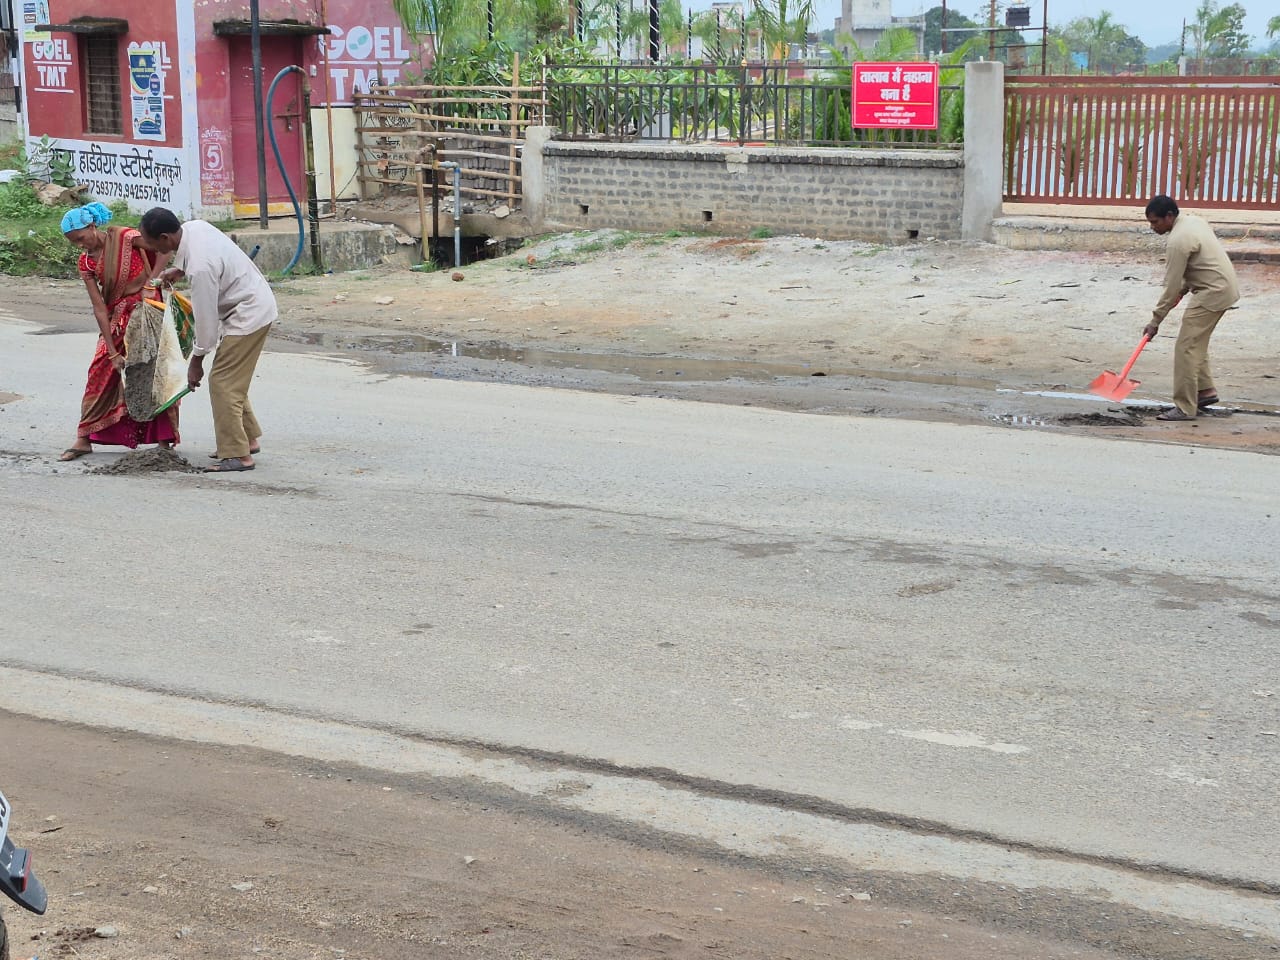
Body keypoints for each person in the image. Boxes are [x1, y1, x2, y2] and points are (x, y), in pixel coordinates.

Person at [137, 207, 276, 473]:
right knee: (230, 379)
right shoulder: (196, 227)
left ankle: (238, 455)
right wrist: (179, 269)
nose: (152, 249)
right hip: (252, 301)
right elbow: (212, 252)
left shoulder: (201, 269)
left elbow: (206, 322)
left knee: (222, 382)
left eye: (153, 243)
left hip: (248, 314)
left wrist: (196, 361)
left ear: (165, 238)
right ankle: (247, 438)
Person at [59, 202, 179, 461]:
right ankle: (84, 438)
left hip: (147, 312)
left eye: (80, 238)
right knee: (99, 371)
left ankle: (164, 440)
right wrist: (112, 352)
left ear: (92, 227)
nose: (80, 245)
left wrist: (153, 281)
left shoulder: (125, 237)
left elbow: (163, 250)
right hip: (116, 319)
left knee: (152, 371)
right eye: (74, 242)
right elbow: (99, 307)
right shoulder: (86, 263)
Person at [1142, 195, 1240, 422]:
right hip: (1224, 287)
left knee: (1186, 347)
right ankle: (1205, 391)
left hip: (1212, 293)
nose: (1152, 227)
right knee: (1196, 341)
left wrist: (1155, 320)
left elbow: (1171, 285)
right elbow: (1199, 264)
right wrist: (1183, 289)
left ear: (1169, 216)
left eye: (1155, 222)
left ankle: (1185, 407)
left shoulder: (1177, 241)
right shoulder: (1194, 221)